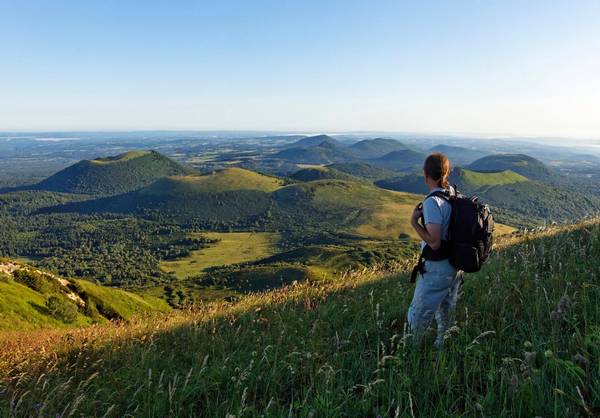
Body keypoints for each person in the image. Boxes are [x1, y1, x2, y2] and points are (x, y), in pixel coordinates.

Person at [407, 152, 461, 347]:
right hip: (454, 265)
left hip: (437, 268)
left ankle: (412, 353)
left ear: (425, 174)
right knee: (446, 311)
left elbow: (434, 241)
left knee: (417, 314)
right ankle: (443, 348)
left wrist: (414, 222)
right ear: (446, 172)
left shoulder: (432, 202)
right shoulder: (452, 194)